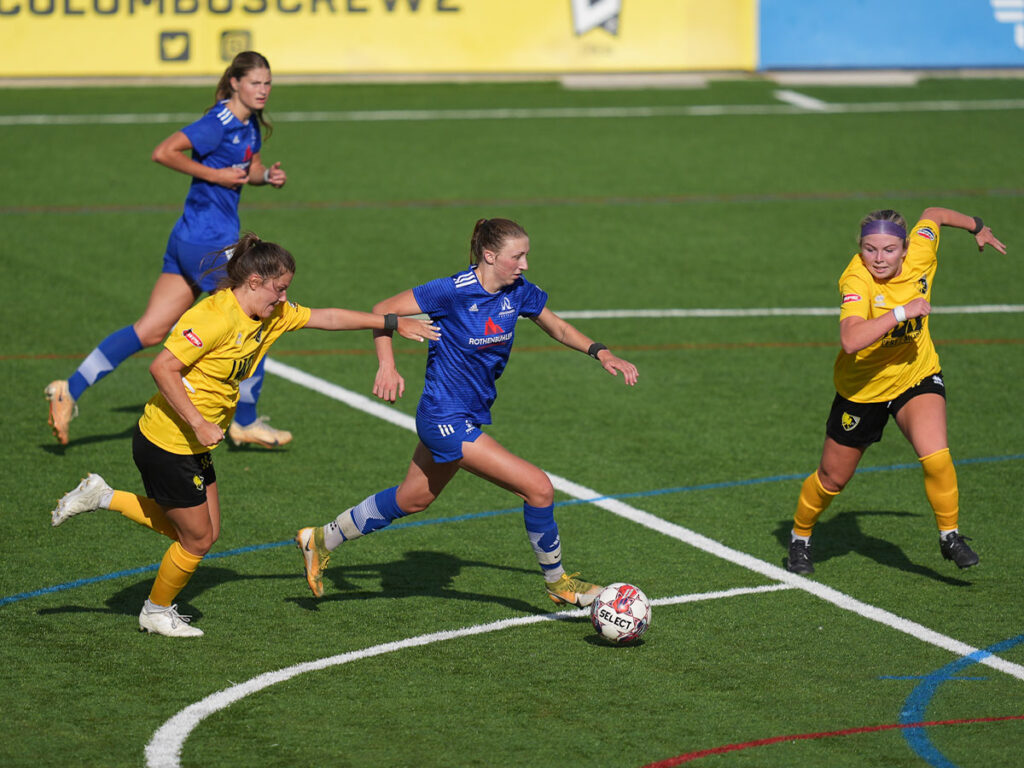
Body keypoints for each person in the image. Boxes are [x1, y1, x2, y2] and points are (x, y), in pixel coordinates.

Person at [49, 234, 439, 637]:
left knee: (206, 533)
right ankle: (155, 610)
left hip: (193, 443)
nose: (285, 297)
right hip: (167, 441)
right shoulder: (214, 317)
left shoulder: (271, 314)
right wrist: (199, 422)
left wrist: (392, 322)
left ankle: (103, 495)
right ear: (253, 281)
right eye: (279, 288)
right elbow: (162, 368)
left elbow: (329, 318)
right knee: (197, 540)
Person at [295, 217, 639, 607]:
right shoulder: (451, 291)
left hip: (467, 415)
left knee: (412, 500)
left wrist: (601, 352)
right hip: (444, 418)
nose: (525, 264)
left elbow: (557, 327)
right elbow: (384, 311)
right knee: (539, 488)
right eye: (517, 256)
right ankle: (559, 584)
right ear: (490, 256)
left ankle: (320, 539)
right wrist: (387, 365)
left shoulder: (518, 291)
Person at [46, 51, 294, 449]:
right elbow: (163, 152)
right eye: (255, 83)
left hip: (186, 239)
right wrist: (214, 174)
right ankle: (245, 421)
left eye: (267, 83)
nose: (263, 90)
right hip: (209, 244)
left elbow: (248, 168)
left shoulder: (249, 126)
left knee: (150, 330)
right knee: (258, 318)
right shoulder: (217, 123)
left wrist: (266, 177)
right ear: (235, 83)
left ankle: (68, 389)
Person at [786, 207, 1006, 575]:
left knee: (936, 456)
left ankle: (949, 535)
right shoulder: (856, 279)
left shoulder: (922, 252)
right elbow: (850, 339)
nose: (878, 258)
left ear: (906, 249)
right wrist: (901, 312)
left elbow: (934, 215)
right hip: (862, 391)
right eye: (870, 249)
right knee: (831, 479)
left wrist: (978, 227)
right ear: (861, 249)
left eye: (888, 250)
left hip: (914, 375)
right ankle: (800, 536)